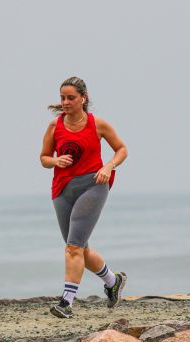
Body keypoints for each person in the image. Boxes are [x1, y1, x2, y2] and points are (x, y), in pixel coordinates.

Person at [39, 76, 128, 318]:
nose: (65, 102)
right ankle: (113, 281)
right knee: (79, 247)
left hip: (94, 185)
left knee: (73, 247)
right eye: (62, 98)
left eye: (71, 98)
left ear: (83, 98)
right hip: (62, 190)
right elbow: (44, 158)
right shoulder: (54, 127)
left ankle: (66, 303)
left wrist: (108, 167)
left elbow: (122, 149)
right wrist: (55, 160)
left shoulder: (97, 124)